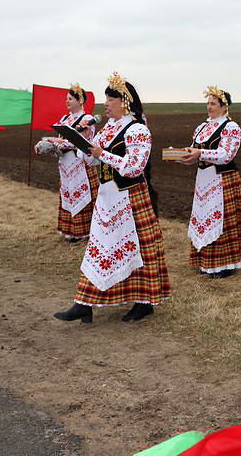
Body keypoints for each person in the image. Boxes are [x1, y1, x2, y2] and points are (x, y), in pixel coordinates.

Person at [54, 72, 170, 323]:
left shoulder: (138, 130)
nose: (105, 104)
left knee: (137, 249)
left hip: (129, 196)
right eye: (105, 99)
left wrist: (102, 153)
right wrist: (84, 143)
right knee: (98, 247)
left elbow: (134, 167)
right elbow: (92, 159)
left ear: (124, 102)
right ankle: (84, 303)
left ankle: (144, 301)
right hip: (107, 196)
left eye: (110, 99)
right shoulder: (109, 128)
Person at [177, 86, 241, 279]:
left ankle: (226, 264)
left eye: (213, 103)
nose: (209, 107)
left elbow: (226, 155)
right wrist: (183, 157)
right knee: (205, 217)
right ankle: (206, 260)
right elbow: (196, 154)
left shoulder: (231, 127)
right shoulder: (202, 128)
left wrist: (200, 153)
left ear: (224, 106)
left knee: (222, 220)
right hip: (204, 179)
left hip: (223, 179)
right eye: (208, 103)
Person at [34, 84, 99, 242]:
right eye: (66, 99)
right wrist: (48, 144)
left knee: (82, 193)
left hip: (80, 162)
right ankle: (70, 230)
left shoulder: (86, 120)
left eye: (70, 98)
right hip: (65, 163)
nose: (67, 101)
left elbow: (79, 141)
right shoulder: (64, 119)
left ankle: (85, 232)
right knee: (68, 194)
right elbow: (61, 140)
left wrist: (56, 144)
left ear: (80, 101)